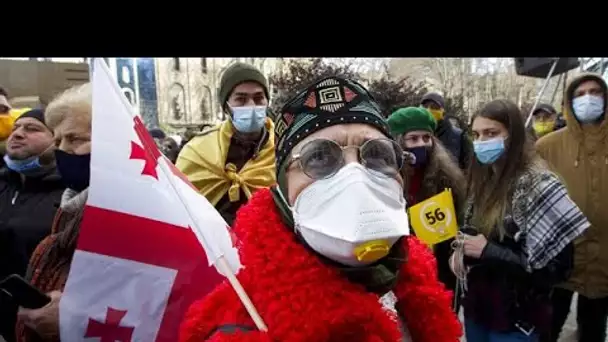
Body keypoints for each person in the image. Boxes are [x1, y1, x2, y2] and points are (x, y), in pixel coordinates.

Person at [179, 77, 462, 342]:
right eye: (320, 158)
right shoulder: (240, 325)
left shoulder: (418, 293)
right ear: (282, 187)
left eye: (376, 154)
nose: (355, 174)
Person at [453, 99, 589, 342]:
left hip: (519, 318)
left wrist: (489, 251)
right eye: (476, 134)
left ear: (513, 136)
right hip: (479, 308)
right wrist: (461, 254)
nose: (481, 142)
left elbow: (557, 269)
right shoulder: (481, 181)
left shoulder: (541, 186)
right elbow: (476, 235)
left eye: (491, 133)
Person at [14, 83, 92, 342]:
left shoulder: (136, 212)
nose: (63, 150)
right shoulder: (70, 208)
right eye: (57, 141)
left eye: (76, 139)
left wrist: (78, 320)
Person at [536, 73, 608, 342]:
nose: (587, 98)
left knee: (593, 329)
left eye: (594, 92)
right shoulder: (548, 146)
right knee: (548, 326)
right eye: (579, 94)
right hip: (560, 260)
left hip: (604, 260)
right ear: (568, 101)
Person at [387, 107, 466, 311]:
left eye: (426, 138)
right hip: (398, 266)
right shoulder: (385, 179)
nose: (422, 144)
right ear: (398, 142)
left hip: (437, 266)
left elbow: (449, 231)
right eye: (413, 139)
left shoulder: (445, 179)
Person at [176, 63, 275, 226]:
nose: (251, 106)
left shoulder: (283, 147)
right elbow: (182, 204)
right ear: (226, 106)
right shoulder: (197, 151)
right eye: (241, 99)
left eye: (258, 98)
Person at [0, 109, 65, 342]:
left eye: (32, 128)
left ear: (56, 140)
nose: (17, 134)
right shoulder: (3, 182)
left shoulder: (71, 193)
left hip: (38, 325)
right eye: (16, 127)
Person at [420, 92, 472, 170]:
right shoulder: (413, 135)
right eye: (425, 106)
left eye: (434, 107)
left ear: (442, 111)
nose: (428, 110)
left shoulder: (459, 136)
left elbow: (470, 166)